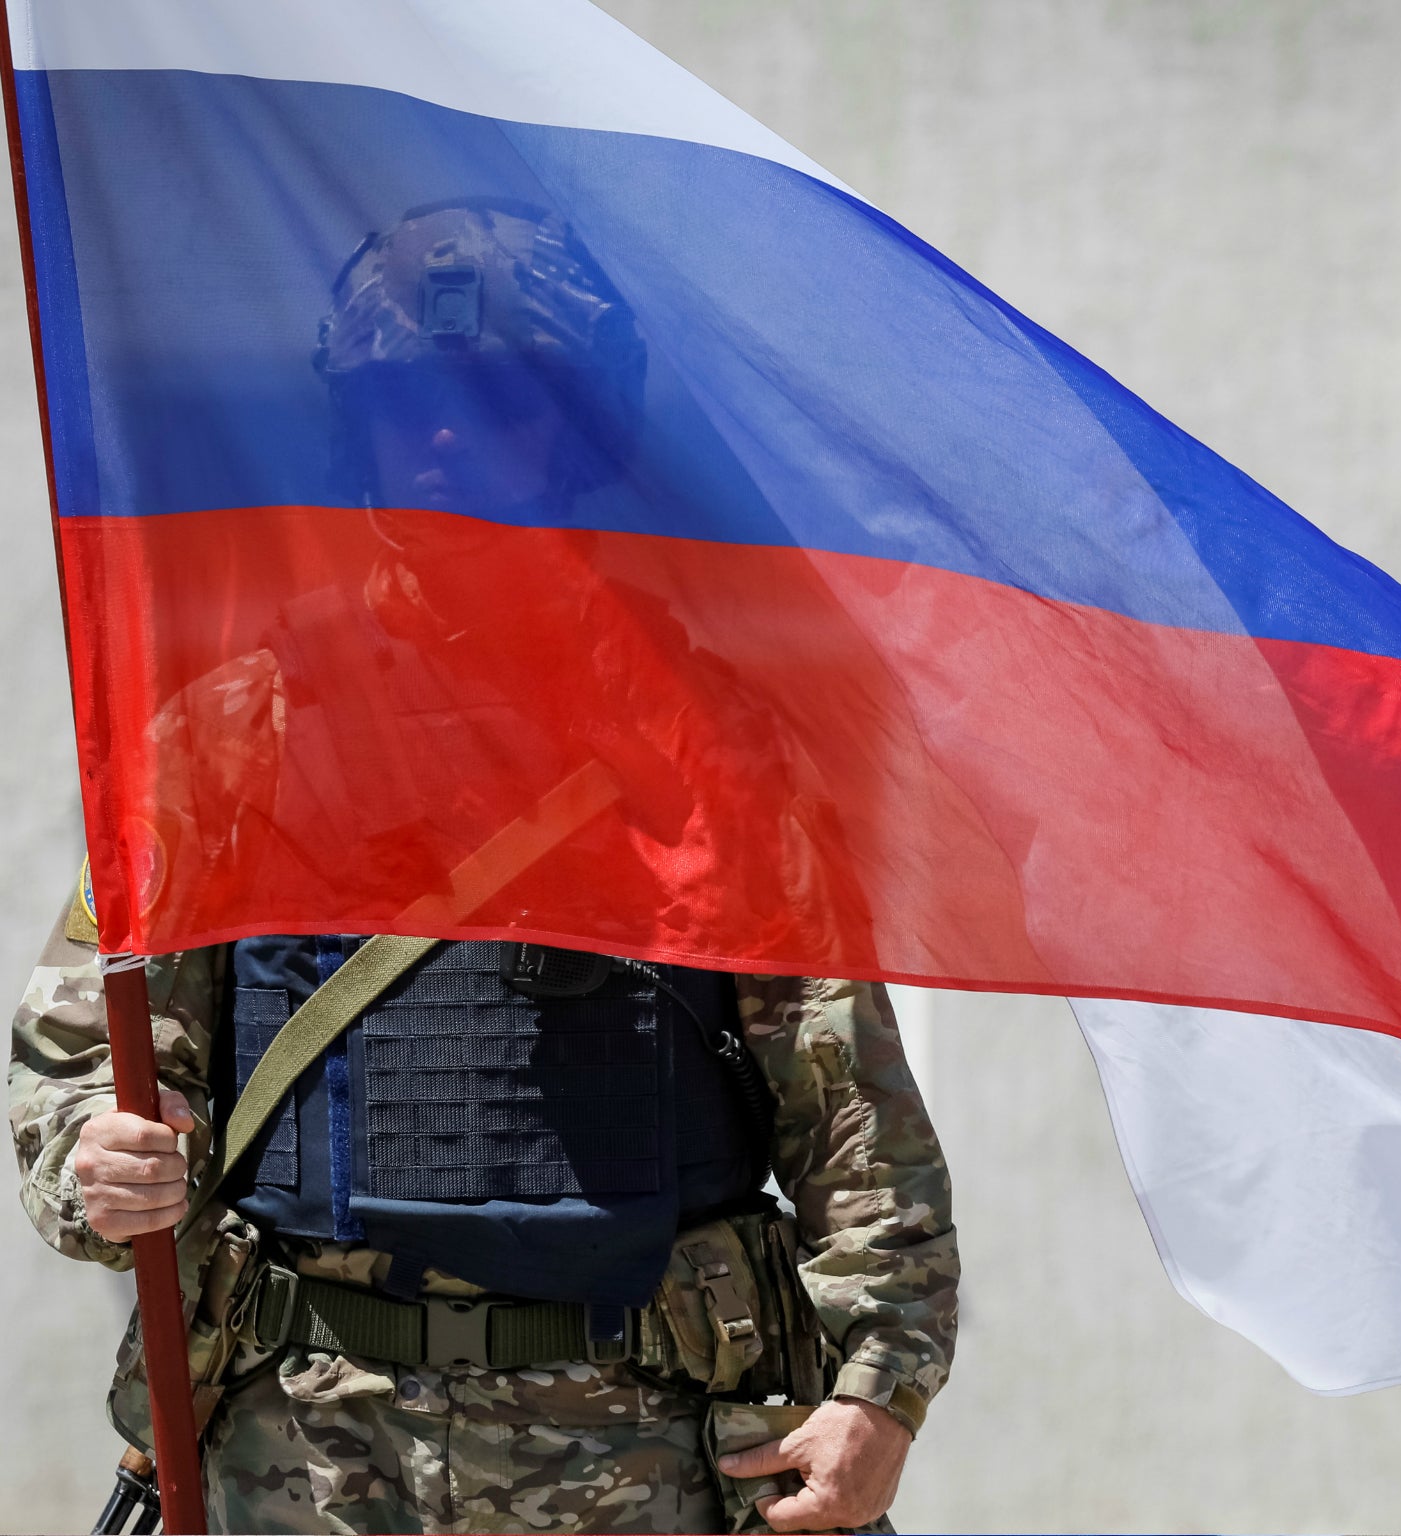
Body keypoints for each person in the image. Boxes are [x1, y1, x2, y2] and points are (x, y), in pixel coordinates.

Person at [8, 200, 958, 1535]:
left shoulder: (706, 741)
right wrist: (98, 1161)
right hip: (308, 1453)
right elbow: (86, 1055)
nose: (449, 442)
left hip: (639, 1455)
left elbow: (849, 1106)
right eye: (410, 403)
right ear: (360, 427)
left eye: (503, 404)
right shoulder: (241, 732)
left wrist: (878, 1391)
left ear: (578, 431)